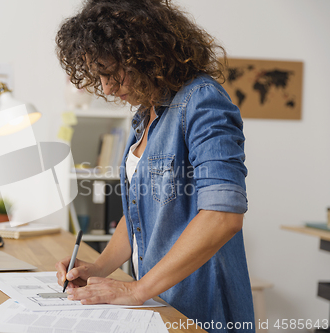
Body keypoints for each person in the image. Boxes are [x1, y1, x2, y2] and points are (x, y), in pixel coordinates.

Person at [54, 0, 255, 332]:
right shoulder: (145, 117)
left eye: (110, 72)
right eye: (98, 76)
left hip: (200, 309)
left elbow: (223, 216)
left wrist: (137, 289)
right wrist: (98, 268)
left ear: (143, 54)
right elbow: (139, 215)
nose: (105, 88)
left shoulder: (203, 100)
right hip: (160, 305)